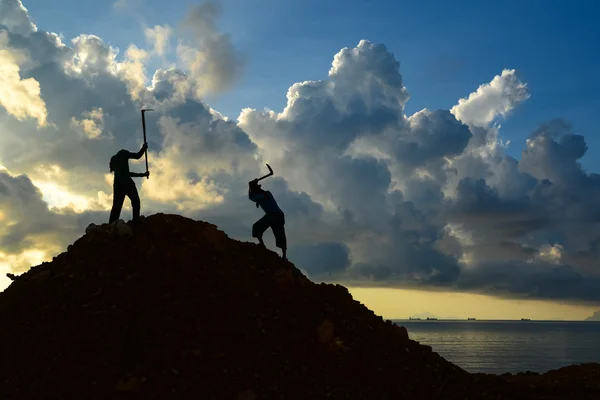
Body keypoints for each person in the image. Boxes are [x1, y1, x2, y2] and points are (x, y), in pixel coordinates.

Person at [108, 143, 149, 224]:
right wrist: (143, 149)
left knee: (116, 207)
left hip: (117, 185)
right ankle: (136, 221)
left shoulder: (113, 159)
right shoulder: (124, 153)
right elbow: (137, 156)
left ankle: (111, 224)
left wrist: (142, 174)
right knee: (136, 202)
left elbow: (126, 173)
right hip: (127, 183)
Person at [248, 179, 287, 259]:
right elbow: (254, 196)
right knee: (257, 228)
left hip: (276, 215)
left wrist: (250, 186)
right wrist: (252, 186)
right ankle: (264, 246)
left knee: (280, 235)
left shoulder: (265, 194)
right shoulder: (263, 194)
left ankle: (284, 256)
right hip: (274, 215)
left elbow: (251, 197)